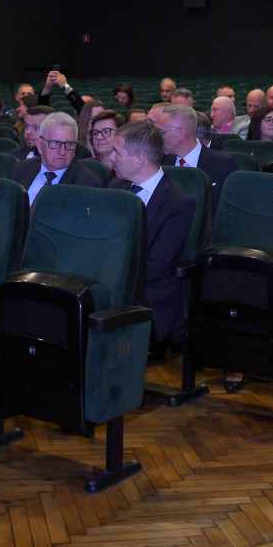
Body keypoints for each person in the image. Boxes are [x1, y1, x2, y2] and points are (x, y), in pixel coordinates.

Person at [109, 121, 196, 364]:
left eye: (117, 152)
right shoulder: (115, 186)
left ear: (139, 161)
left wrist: (106, 276)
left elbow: (154, 266)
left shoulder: (179, 203)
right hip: (112, 281)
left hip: (148, 295)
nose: (111, 157)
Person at [157, 104, 238, 214]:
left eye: (161, 133)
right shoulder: (160, 162)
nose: (157, 138)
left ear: (181, 133)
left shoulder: (224, 164)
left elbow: (223, 214)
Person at [8, 112, 102, 205]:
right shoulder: (19, 169)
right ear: (40, 145)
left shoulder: (87, 184)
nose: (62, 152)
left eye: (69, 144)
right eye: (55, 143)